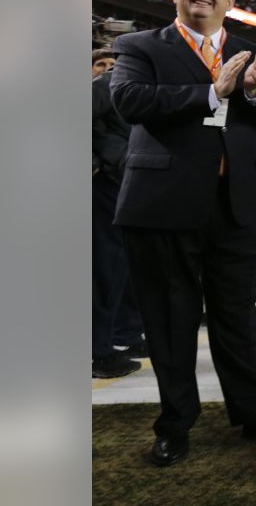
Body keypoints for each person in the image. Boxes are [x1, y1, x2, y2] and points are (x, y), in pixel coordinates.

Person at [110, 0, 256, 466]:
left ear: (229, 1)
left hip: (235, 205)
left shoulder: (248, 53)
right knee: (170, 319)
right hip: (164, 205)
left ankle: (253, 411)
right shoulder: (140, 46)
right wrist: (211, 92)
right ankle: (175, 423)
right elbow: (127, 100)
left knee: (237, 316)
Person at [93, 63, 145, 379]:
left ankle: (124, 335)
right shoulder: (111, 80)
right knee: (107, 270)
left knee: (126, 268)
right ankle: (97, 352)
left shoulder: (146, 84)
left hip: (133, 186)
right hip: (110, 186)